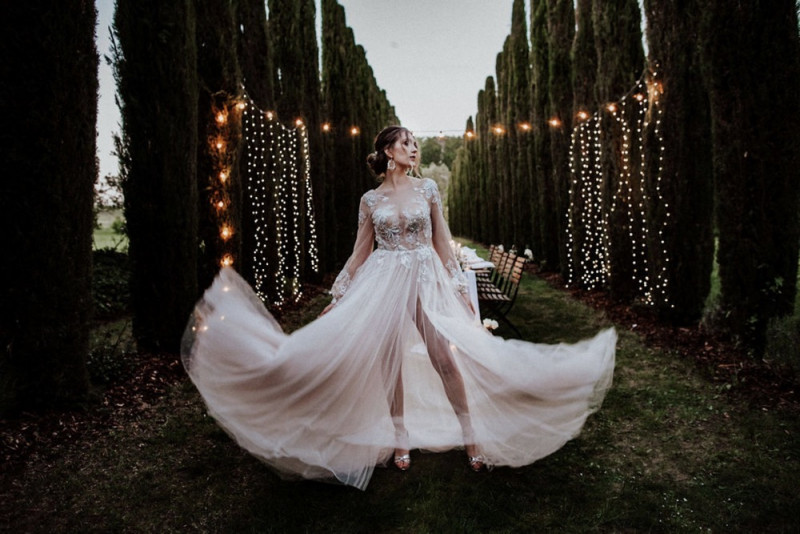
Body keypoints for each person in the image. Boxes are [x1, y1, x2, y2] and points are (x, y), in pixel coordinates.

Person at [182, 125, 616, 491]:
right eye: (405, 142)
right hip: (385, 281)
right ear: (388, 151)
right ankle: (399, 437)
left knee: (443, 354)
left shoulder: (428, 189)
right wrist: (338, 295)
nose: (413, 148)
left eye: (414, 143)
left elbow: (442, 242)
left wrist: (461, 288)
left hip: (425, 277)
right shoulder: (370, 201)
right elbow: (359, 252)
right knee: (389, 357)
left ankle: (470, 436)